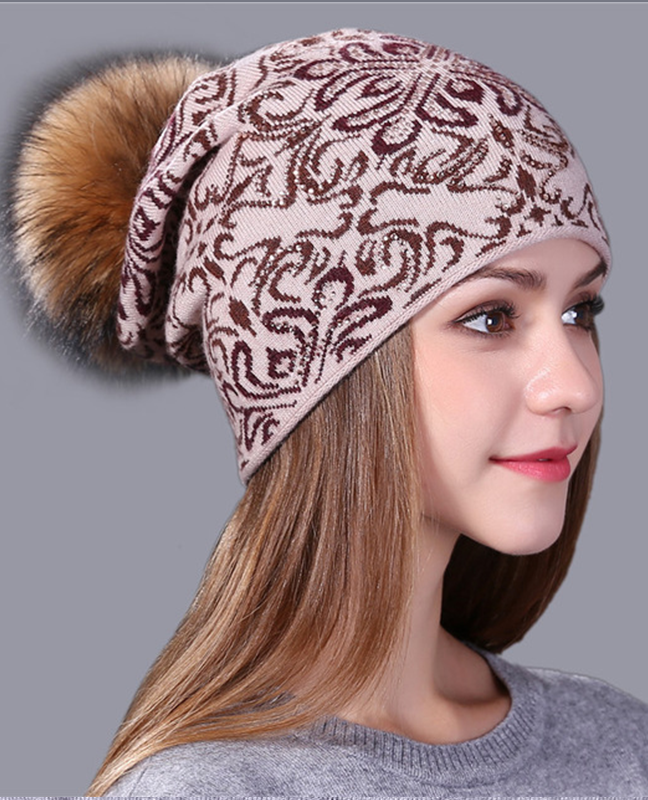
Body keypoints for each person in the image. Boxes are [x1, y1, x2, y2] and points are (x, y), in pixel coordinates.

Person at [11, 27, 648, 796]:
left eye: (581, 311)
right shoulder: (212, 790)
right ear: (322, 374)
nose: (574, 384)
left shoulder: (621, 744)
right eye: (491, 317)